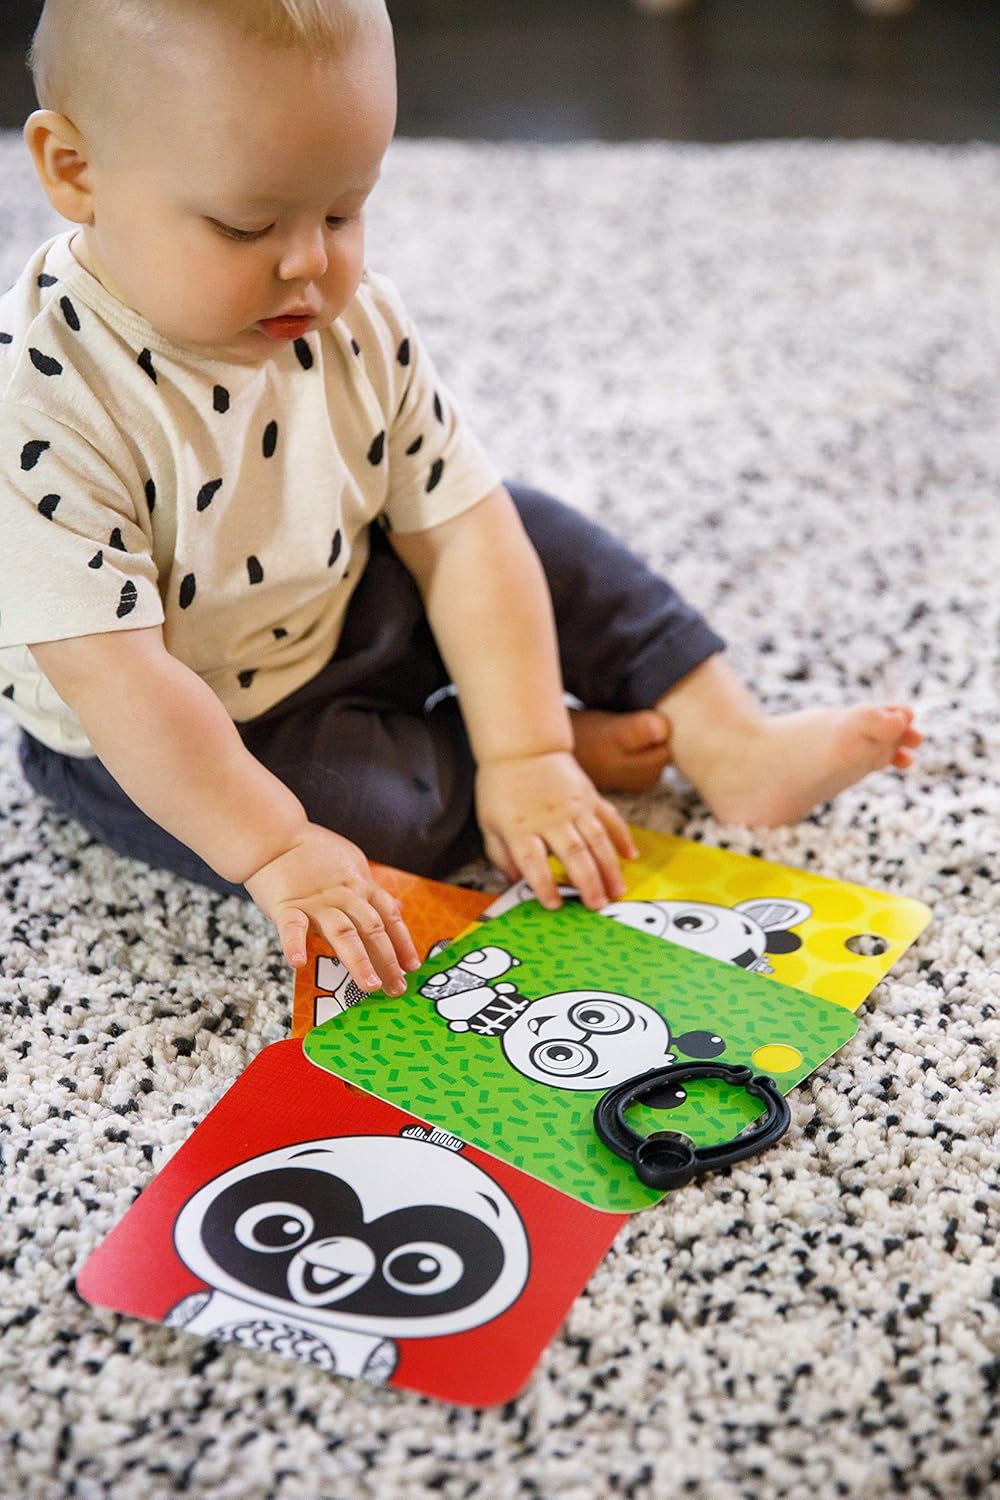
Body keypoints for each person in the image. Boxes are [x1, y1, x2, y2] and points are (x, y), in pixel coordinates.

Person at [0, 0, 920, 1001]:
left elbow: (465, 535)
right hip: (179, 726)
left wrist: (527, 746)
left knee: (520, 524)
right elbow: (125, 685)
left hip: (338, 591)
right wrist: (276, 850)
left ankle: (724, 737)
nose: (310, 263)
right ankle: (491, 757)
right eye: (247, 225)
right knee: (363, 826)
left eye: (343, 212)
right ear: (74, 170)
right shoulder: (43, 406)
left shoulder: (351, 320)